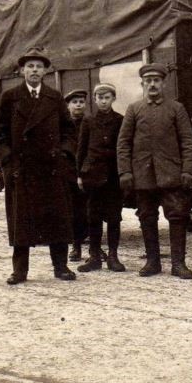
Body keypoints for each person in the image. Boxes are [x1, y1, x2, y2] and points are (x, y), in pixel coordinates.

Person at [0, 47, 78, 284]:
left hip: (51, 168)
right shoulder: (10, 97)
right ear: (22, 70)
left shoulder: (54, 97)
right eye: (30, 66)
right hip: (23, 169)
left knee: (56, 219)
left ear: (45, 71)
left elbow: (69, 131)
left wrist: (63, 154)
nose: (34, 70)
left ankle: (60, 267)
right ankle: (20, 271)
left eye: (39, 67)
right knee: (21, 222)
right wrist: (8, 161)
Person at [116, 63, 192, 279]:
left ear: (163, 83)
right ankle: (153, 262)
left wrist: (188, 170)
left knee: (178, 216)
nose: (152, 84)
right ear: (142, 84)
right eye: (148, 81)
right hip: (143, 175)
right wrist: (125, 172)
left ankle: (178, 264)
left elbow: (188, 141)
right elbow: (123, 143)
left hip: (171, 174)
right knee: (147, 217)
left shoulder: (176, 108)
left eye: (156, 81)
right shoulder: (134, 109)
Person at [75, 83, 126, 273]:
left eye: (107, 97)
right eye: (100, 98)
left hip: (112, 176)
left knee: (114, 217)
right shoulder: (88, 121)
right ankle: (94, 256)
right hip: (92, 176)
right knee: (93, 217)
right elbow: (81, 149)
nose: (103, 101)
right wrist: (80, 174)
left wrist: (124, 173)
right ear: (94, 100)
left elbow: (123, 148)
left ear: (113, 99)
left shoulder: (120, 120)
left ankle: (113, 256)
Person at [64, 89, 89, 261]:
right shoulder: (64, 126)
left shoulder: (90, 122)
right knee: (74, 210)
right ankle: (76, 246)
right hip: (70, 172)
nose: (78, 105)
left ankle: (94, 249)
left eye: (81, 102)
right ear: (68, 105)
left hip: (88, 172)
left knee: (90, 210)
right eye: (75, 102)